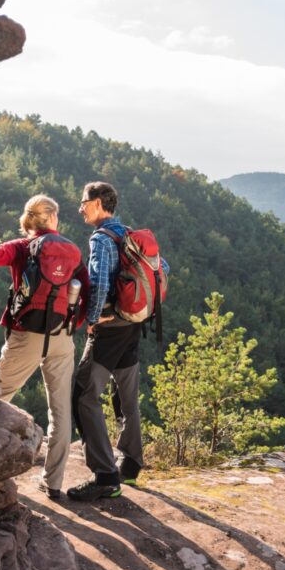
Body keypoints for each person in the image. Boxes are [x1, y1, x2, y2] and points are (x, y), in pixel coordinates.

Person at [0, 194, 88, 499]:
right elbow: (86, 293)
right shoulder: (72, 251)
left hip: (26, 335)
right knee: (61, 410)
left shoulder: (21, 247)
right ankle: (53, 483)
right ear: (52, 218)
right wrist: (70, 327)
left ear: (28, 219)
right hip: (62, 337)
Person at [68, 182, 170, 501]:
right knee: (126, 394)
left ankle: (105, 476)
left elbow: (98, 283)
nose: (80, 207)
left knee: (83, 394)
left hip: (111, 327)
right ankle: (131, 464)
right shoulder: (128, 233)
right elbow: (162, 268)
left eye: (84, 202)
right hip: (134, 323)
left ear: (98, 203)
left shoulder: (101, 238)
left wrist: (93, 317)